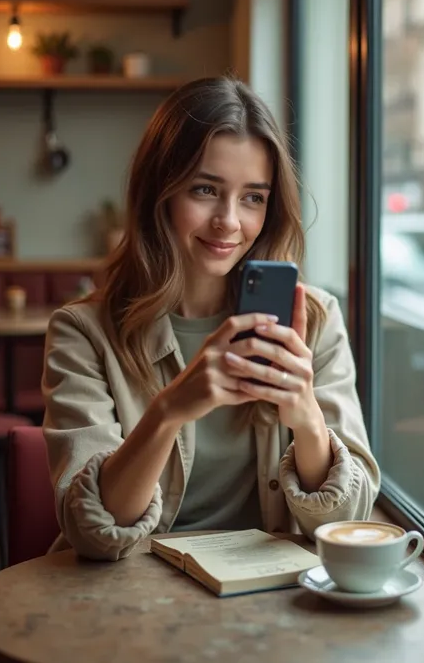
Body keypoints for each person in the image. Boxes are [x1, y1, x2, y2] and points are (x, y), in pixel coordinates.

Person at [42, 76, 381, 561]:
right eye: (205, 189)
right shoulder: (83, 333)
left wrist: (305, 415)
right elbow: (95, 533)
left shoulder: (315, 319)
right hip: (131, 600)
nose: (229, 221)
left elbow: (347, 524)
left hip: (266, 599)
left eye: (253, 198)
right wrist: (170, 410)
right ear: (159, 193)